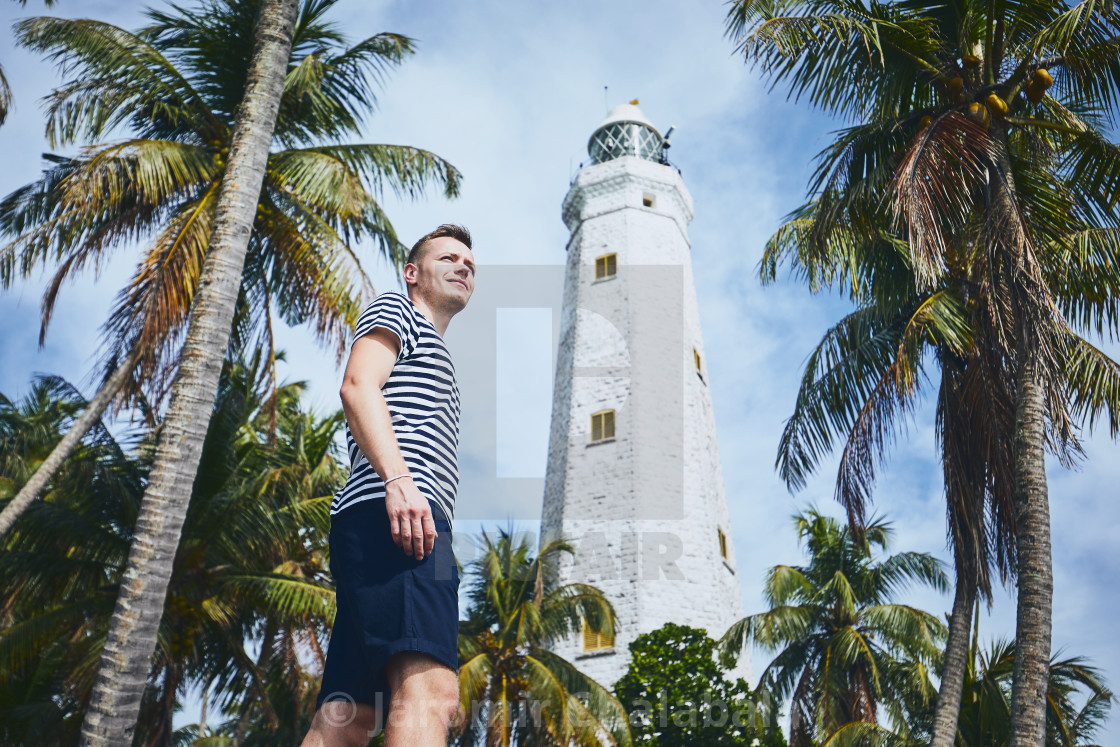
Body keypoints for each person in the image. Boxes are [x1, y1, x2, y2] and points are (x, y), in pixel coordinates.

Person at [300, 225, 476, 747]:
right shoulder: (398, 310)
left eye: (470, 262)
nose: (464, 266)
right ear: (412, 273)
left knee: (350, 716)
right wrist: (398, 480)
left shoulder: (435, 351)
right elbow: (357, 385)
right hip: (398, 514)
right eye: (448, 257)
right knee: (432, 692)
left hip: (396, 520)